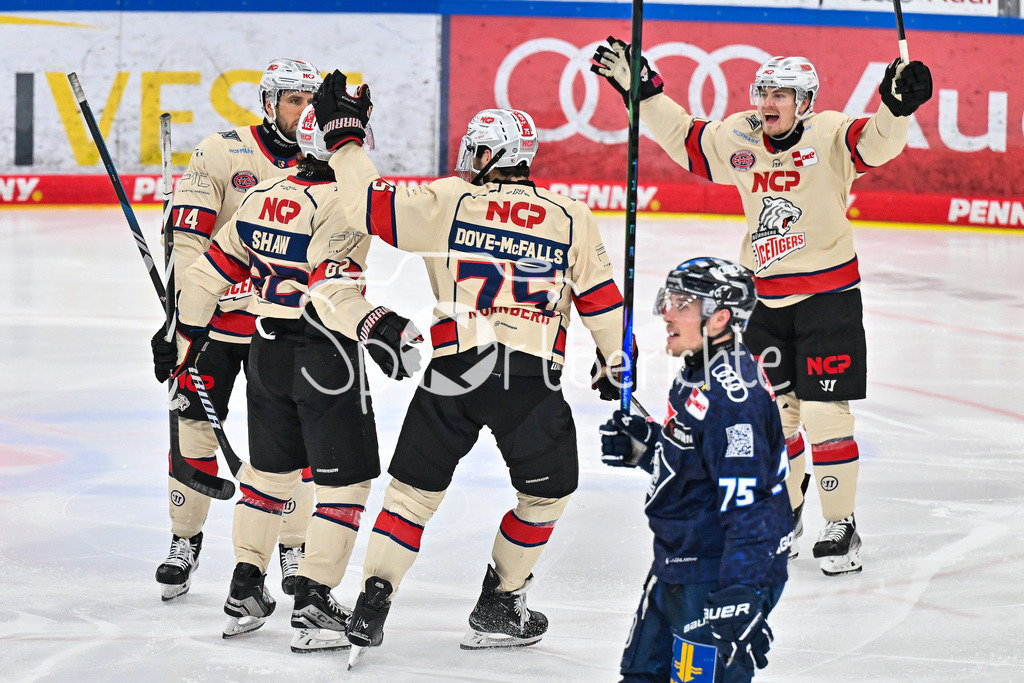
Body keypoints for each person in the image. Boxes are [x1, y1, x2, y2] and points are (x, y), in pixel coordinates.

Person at [308, 72, 628, 660]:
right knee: (546, 497)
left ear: (496, 154)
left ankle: (372, 605)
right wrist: (616, 363)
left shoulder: (449, 199)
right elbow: (603, 299)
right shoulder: (571, 216)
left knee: (408, 498)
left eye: (476, 150)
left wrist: (345, 139)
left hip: (453, 371)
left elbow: (365, 206)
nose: (468, 159)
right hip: (527, 379)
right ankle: (502, 601)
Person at [591, 40, 933, 575]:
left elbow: (878, 142)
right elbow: (688, 141)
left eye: (783, 94)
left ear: (806, 101)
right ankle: (789, 512)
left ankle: (840, 525)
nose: (769, 101)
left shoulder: (830, 134)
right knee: (777, 417)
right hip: (765, 303)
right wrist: (647, 94)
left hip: (829, 301)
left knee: (824, 413)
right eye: (764, 91)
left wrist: (897, 106)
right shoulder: (743, 133)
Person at [173, 103, 422, 648]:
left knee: (267, 475)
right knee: (346, 483)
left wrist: (185, 346)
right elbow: (332, 290)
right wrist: (378, 326)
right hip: (324, 354)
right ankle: (313, 601)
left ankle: (245, 586)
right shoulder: (345, 203)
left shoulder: (263, 195)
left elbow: (203, 276)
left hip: (265, 351)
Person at [150, 58, 323, 601]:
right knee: (192, 424)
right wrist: (180, 318)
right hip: (218, 328)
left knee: (297, 443)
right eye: (293, 100)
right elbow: (189, 243)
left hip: (287, 329)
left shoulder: (330, 161)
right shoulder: (222, 150)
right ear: (269, 103)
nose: (304, 112)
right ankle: (185, 539)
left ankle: (295, 546)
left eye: (310, 101)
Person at [600, 257, 791, 683]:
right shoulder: (698, 373)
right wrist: (648, 445)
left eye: (683, 303)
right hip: (678, 562)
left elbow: (751, 504)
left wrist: (741, 596)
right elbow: (698, 465)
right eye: (670, 299)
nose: (667, 312)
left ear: (720, 317)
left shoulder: (733, 397)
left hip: (714, 576)